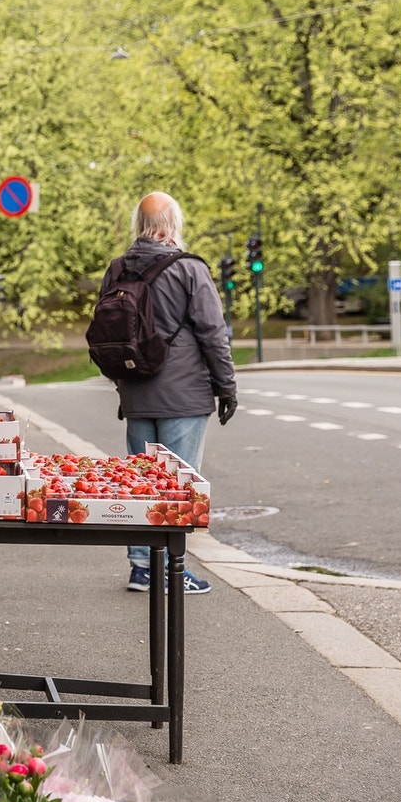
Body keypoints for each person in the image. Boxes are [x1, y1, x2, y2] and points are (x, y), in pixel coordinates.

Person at [102, 192, 238, 596]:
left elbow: (109, 333)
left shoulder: (117, 269)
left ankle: (141, 567)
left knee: (142, 482)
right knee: (178, 485)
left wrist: (122, 383)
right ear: (171, 225)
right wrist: (226, 387)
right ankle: (172, 571)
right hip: (184, 395)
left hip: (137, 393)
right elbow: (213, 333)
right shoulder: (189, 269)